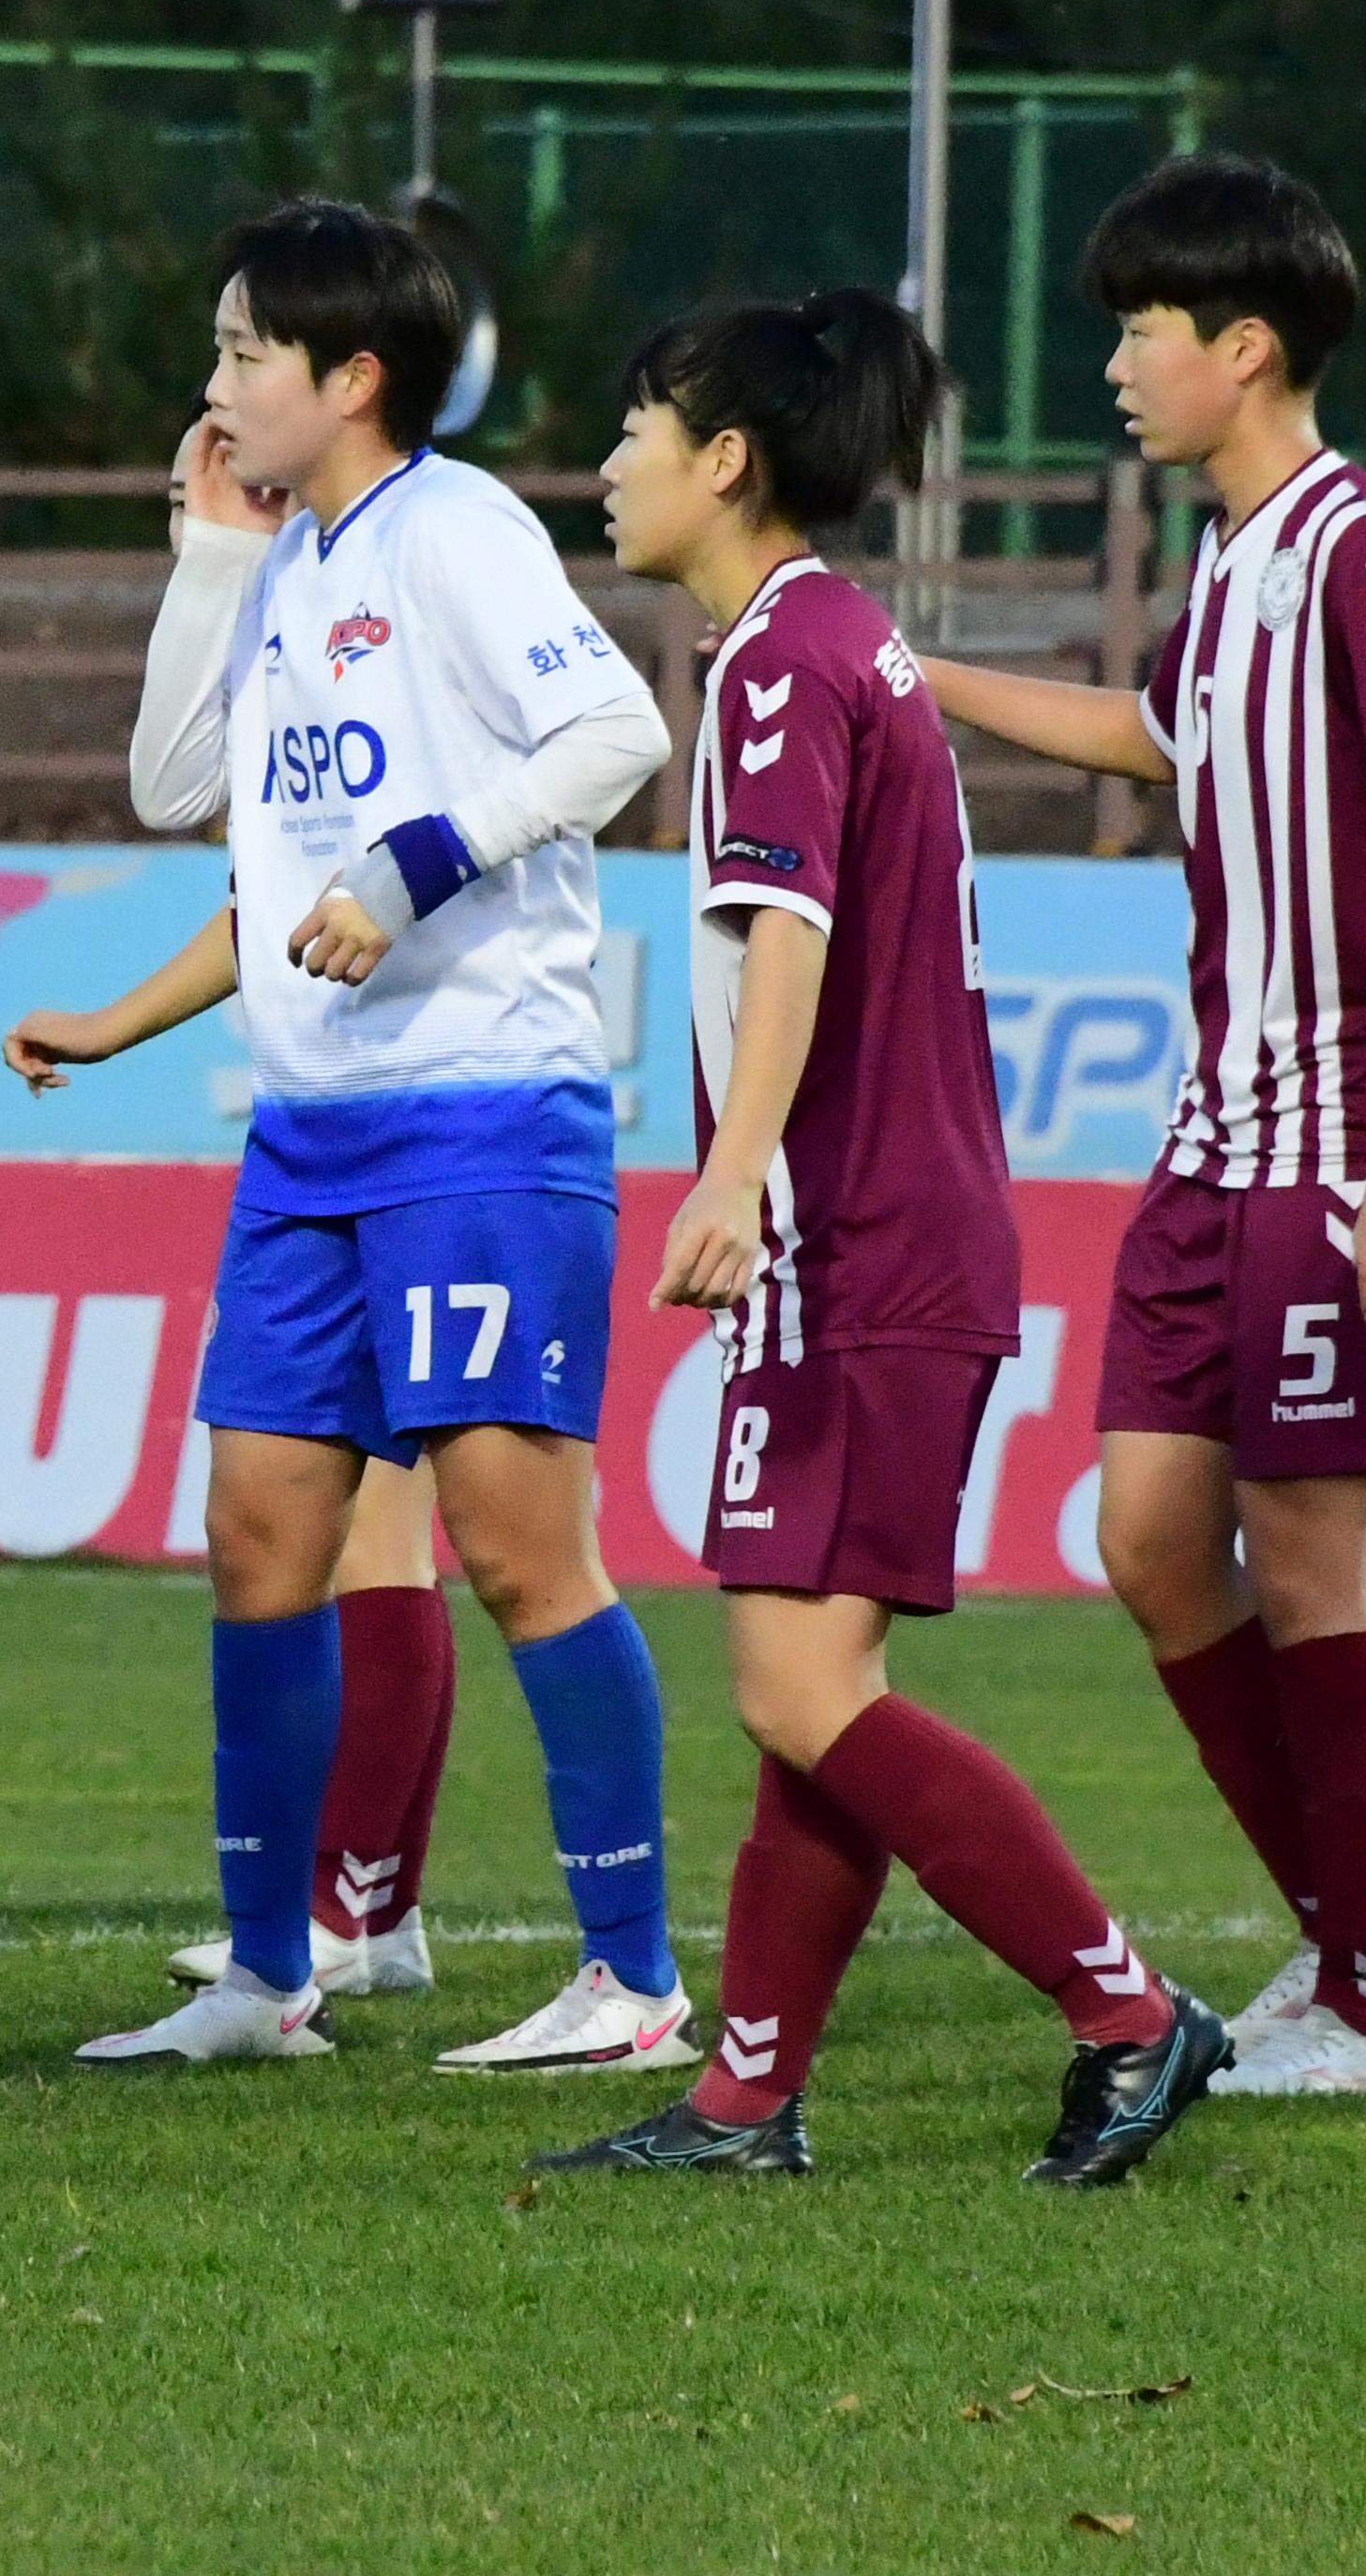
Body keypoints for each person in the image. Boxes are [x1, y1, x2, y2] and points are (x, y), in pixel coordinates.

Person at [535, 292, 1229, 2184]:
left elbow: (791, 938)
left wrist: (737, 1168)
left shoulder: (779, 660)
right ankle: (749, 2096)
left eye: (636, 424)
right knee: (814, 1692)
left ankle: (1128, 2006)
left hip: (849, 1238)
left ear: (728, 457)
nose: (611, 461)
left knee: (797, 1686)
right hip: (903, 1231)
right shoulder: (840, 645)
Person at [61, 201, 686, 2077]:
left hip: (482, 1111)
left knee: (515, 1547)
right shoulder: (284, 558)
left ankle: (634, 1976)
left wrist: (411, 866)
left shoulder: (459, 528)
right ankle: (269, 1973)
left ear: (355, 378)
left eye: (249, 350)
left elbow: (617, 728)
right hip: (311, 1131)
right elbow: (176, 783)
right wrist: (203, 545)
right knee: (260, 1532)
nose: (215, 380)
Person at [920, 156, 1366, 2099]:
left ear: (1241, 348)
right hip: (1217, 1135)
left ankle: (1360, 1996)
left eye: (1138, 330)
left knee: (1314, 1555)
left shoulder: (1360, 545)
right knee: (1155, 1536)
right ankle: (1361, 1922)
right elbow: (1150, 739)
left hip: (1346, 1133)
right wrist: (909, 674)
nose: (1113, 366)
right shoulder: (1235, 562)